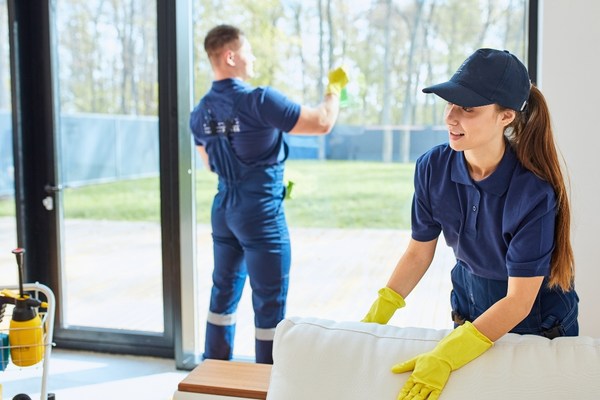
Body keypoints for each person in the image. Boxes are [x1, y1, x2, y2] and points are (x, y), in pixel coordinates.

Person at [362, 48, 578, 399]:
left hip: (536, 320)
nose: (451, 117)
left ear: (506, 116)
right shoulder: (432, 168)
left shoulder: (533, 192)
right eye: (450, 103)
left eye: (468, 108)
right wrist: (376, 317)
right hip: (470, 307)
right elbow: (419, 253)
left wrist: (447, 355)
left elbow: (518, 302)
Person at [189, 24, 348, 364]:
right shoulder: (259, 100)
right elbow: (321, 122)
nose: (253, 56)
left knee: (222, 295)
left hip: (224, 212)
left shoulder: (200, 112)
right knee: (269, 304)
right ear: (230, 56)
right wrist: (334, 89)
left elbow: (211, 165)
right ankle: (268, 383)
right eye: (248, 50)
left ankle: (214, 376)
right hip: (260, 215)